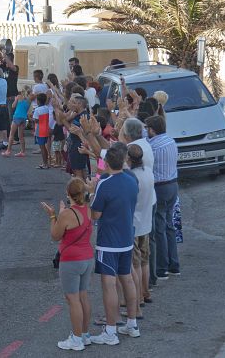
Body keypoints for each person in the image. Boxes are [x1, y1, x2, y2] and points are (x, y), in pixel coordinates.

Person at [85, 143, 140, 344]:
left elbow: (95, 214)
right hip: (126, 238)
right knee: (127, 279)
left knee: (108, 285)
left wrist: (91, 192)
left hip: (108, 241)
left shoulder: (104, 184)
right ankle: (132, 324)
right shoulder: (131, 180)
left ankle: (110, 332)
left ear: (106, 162)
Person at [41, 178, 95, 351]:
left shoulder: (67, 214)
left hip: (71, 261)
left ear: (69, 194)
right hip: (87, 257)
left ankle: (76, 339)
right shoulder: (87, 208)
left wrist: (52, 215)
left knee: (73, 300)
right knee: (83, 296)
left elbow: (55, 235)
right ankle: (85, 334)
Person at [146, 115, 180, 280]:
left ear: (152, 130)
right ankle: (174, 264)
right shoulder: (171, 141)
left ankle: (162, 268)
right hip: (173, 184)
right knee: (169, 225)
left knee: (159, 228)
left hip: (160, 187)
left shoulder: (152, 146)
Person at [127, 143, 156, 311]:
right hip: (146, 223)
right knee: (144, 261)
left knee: (135, 264)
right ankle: (145, 293)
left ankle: (137, 298)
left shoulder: (132, 177)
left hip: (134, 225)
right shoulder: (149, 173)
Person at [2, 86, 30, 157]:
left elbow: (13, 106)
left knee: (12, 134)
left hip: (17, 116)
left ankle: (8, 151)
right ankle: (23, 151)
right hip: (24, 118)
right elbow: (26, 110)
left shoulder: (18, 96)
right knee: (21, 136)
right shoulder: (29, 100)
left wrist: (15, 100)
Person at [32, 94, 53, 168]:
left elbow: (36, 120)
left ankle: (45, 164)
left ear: (38, 101)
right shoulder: (46, 108)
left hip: (40, 129)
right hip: (46, 128)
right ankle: (46, 162)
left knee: (42, 147)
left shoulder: (37, 110)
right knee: (44, 147)